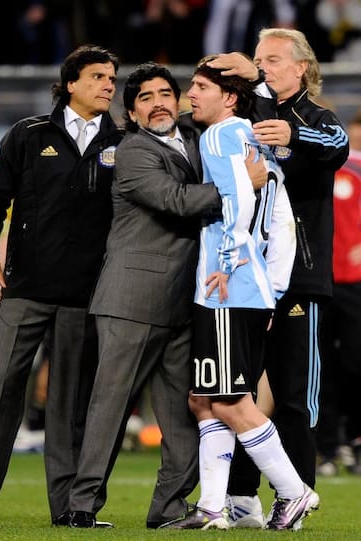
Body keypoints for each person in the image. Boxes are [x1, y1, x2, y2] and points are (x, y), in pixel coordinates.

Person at [64, 61, 267, 530]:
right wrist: (240, 186)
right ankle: (81, 506)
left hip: (185, 301)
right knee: (110, 408)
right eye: (145, 98)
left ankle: (170, 508)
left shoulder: (197, 143)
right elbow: (175, 200)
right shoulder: (132, 151)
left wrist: (253, 80)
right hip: (132, 300)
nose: (158, 103)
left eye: (164, 93)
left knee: (183, 414)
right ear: (132, 114)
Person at [0, 44, 123, 527]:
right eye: (97, 76)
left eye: (111, 78)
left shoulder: (123, 142)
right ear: (70, 83)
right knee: (2, 389)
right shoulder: (28, 135)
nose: (108, 85)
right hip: (24, 289)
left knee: (70, 403)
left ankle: (69, 509)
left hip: (86, 295)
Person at [160, 56, 321, 531]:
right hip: (241, 287)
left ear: (229, 98)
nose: (191, 94)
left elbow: (239, 200)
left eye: (202, 86)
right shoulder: (252, 136)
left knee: (230, 401)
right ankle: (213, 507)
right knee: (204, 399)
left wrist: (232, 267)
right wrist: (269, 287)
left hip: (227, 286)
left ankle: (294, 493)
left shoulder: (220, 134)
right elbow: (279, 218)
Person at [212, 28, 349, 527]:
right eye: (257, 58)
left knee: (294, 395)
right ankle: (241, 497)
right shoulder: (246, 112)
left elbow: (337, 144)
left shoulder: (314, 118)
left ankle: (294, 495)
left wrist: (296, 135)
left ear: (301, 68)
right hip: (245, 278)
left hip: (299, 280)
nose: (261, 66)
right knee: (240, 389)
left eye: (272, 59)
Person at [316, 111, 361, 475]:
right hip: (321, 281)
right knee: (321, 368)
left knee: (354, 364)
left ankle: (353, 441)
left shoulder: (355, 170)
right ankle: (329, 447)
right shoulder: (319, 167)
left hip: (355, 282)